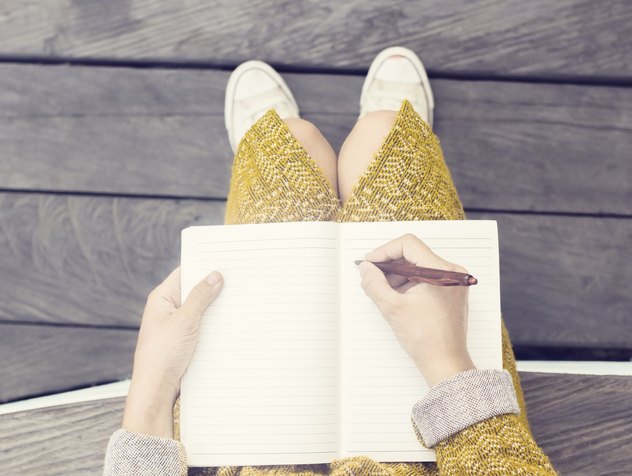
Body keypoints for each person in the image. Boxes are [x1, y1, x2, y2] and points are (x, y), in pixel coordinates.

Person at [104, 47, 557, 475]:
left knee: (288, 146)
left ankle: (260, 153)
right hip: (440, 451)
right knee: (382, 134)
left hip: (246, 457)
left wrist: (150, 394)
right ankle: (338, 137)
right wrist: (449, 364)